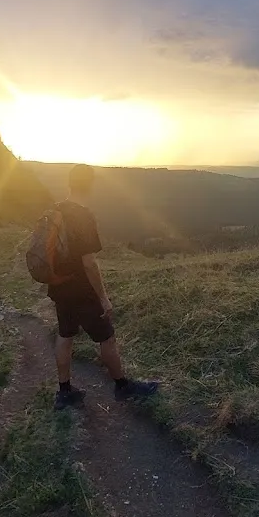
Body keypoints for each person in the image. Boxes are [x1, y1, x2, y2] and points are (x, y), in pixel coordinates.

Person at [49, 164, 158, 410]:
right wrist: (104, 298)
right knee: (107, 338)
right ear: (89, 184)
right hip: (81, 291)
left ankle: (64, 391)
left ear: (69, 182)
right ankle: (122, 386)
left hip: (59, 287)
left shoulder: (55, 210)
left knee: (65, 335)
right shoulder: (83, 215)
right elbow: (89, 263)